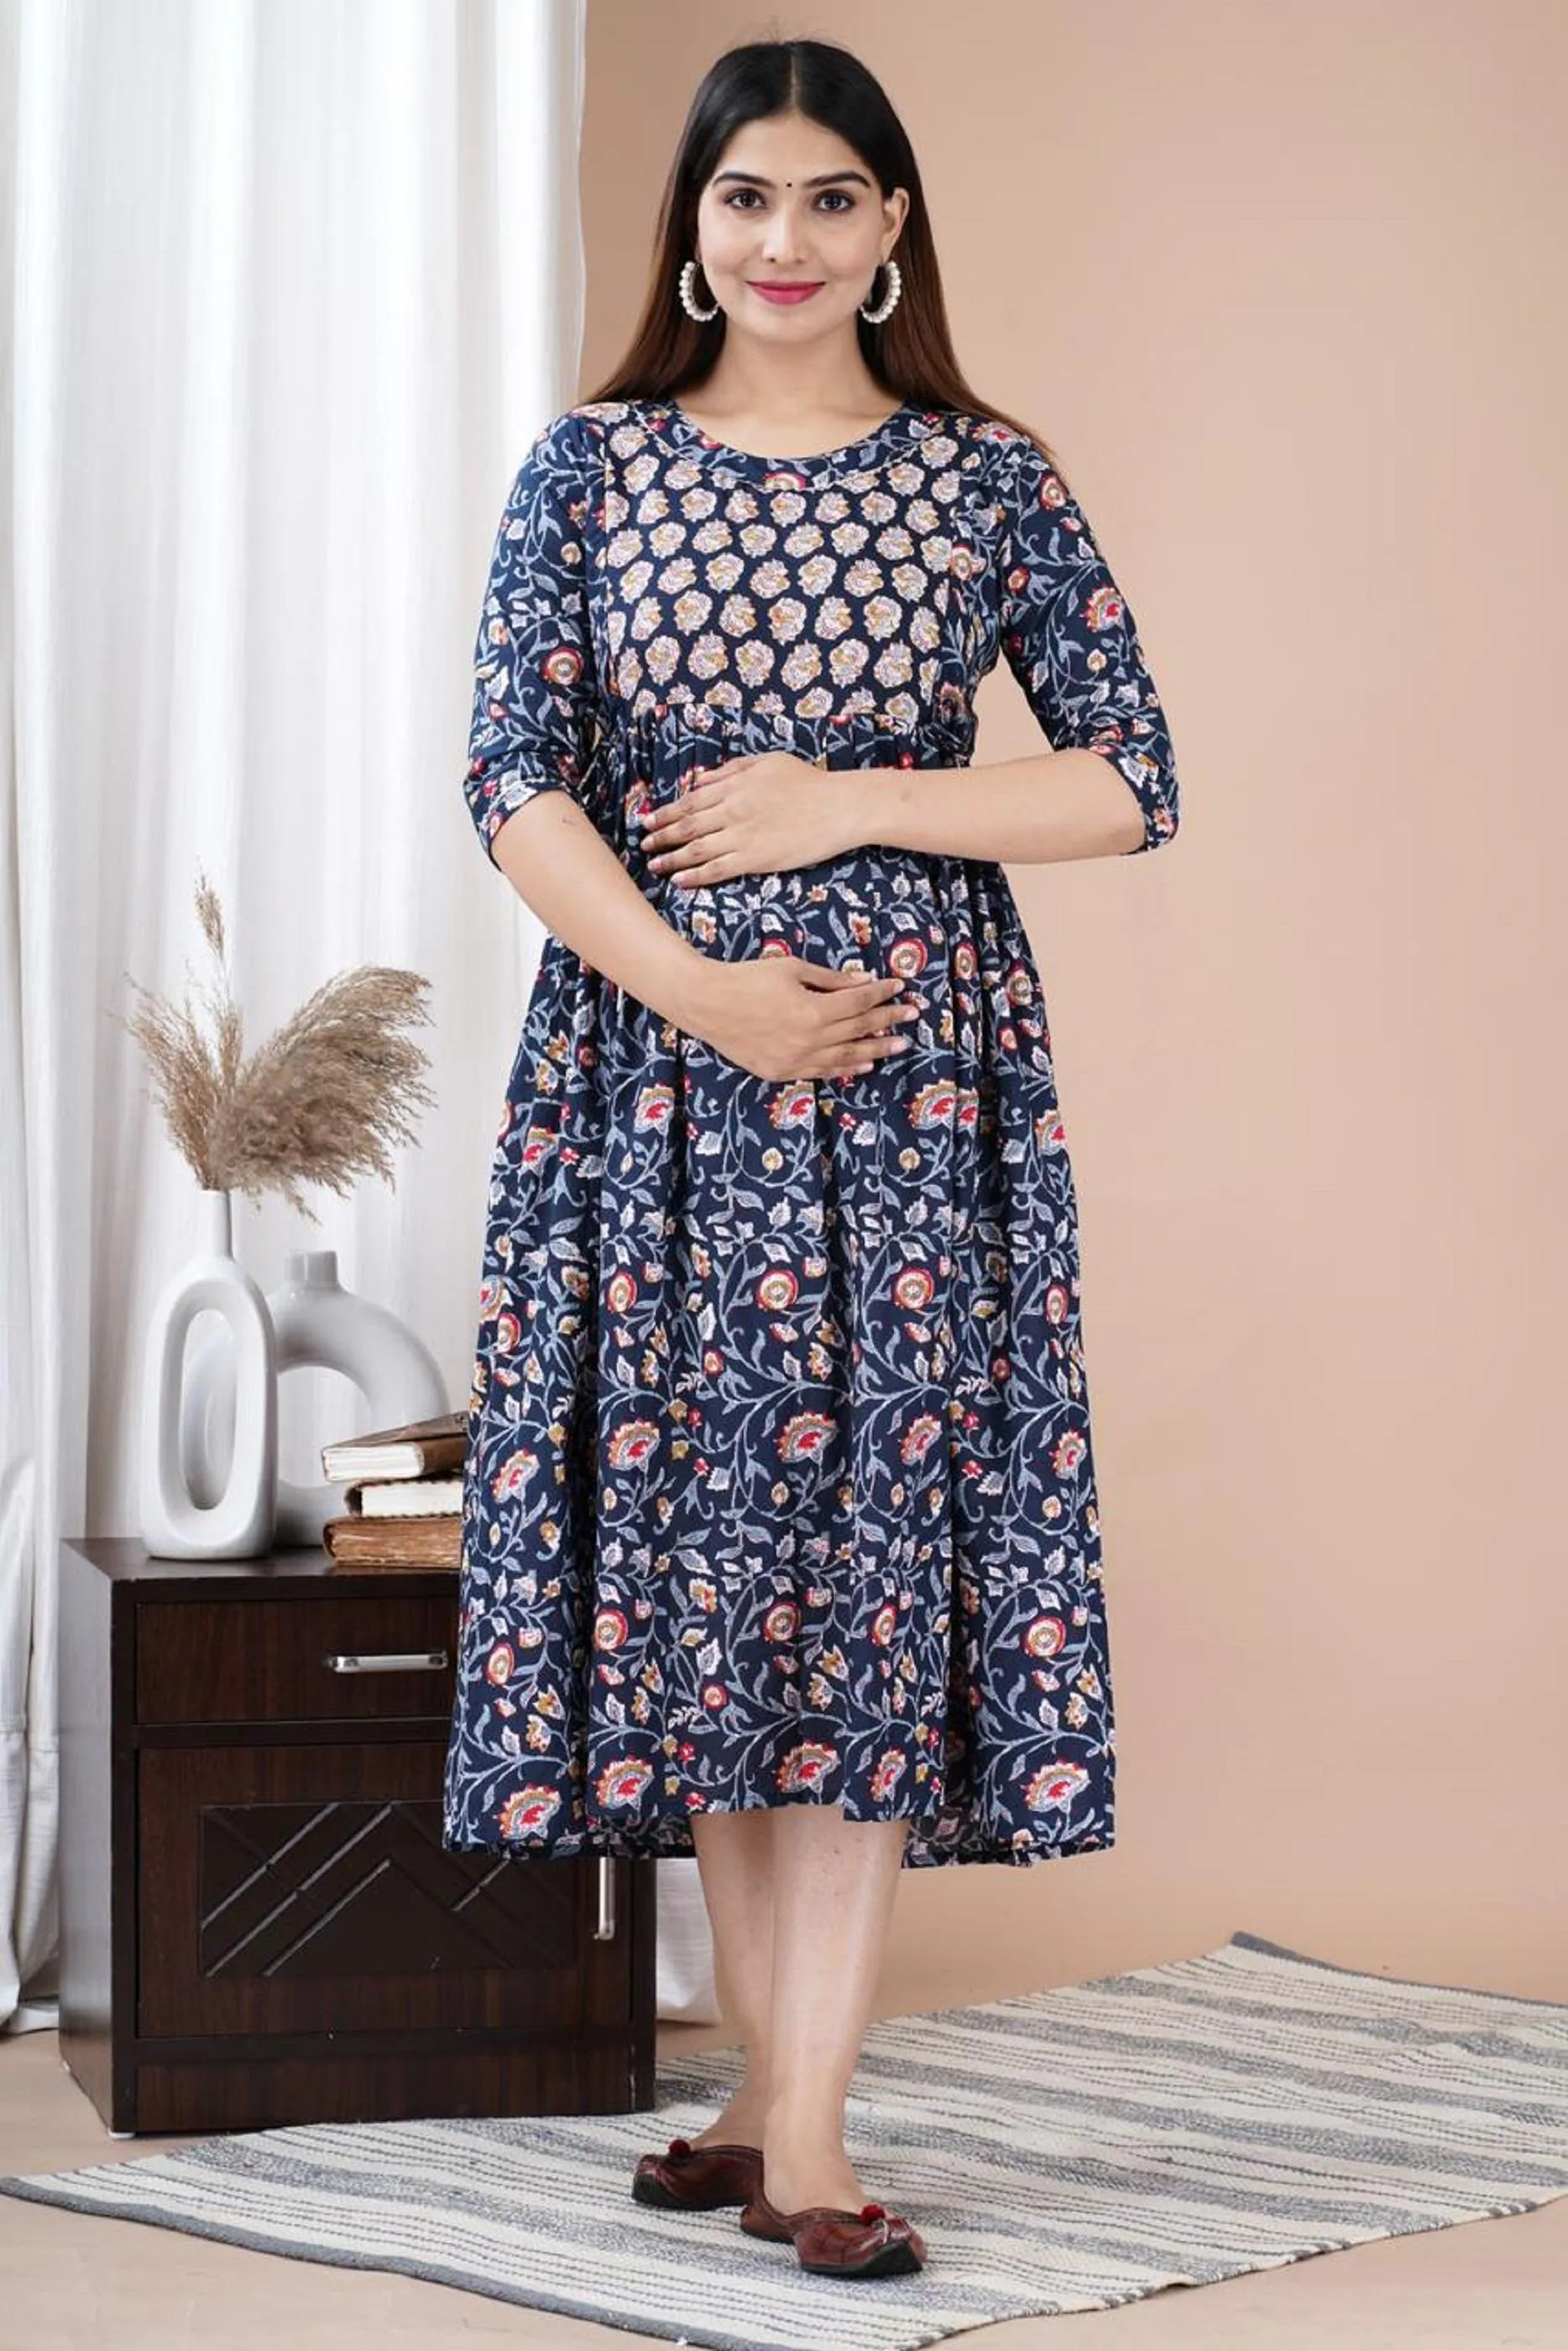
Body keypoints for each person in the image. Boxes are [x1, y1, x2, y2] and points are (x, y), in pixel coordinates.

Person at [442, 34, 1180, 2282]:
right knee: (720, 1580)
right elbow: (511, 782)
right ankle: (772, 2095)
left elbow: (1126, 777)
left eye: (831, 198)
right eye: (748, 194)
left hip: (916, 1110)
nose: (786, 238)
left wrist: (852, 799)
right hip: (653, 1094)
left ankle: (814, 2137)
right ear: (694, 225)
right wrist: (709, 992)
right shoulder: (591, 470)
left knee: (855, 1572)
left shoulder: (983, 476)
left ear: (890, 231)